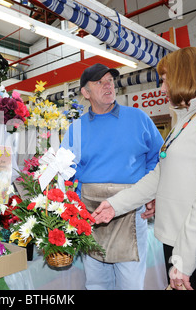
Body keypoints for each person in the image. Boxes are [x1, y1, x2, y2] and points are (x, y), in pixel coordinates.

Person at [91, 47, 196, 290]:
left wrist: (185, 258)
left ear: (185, 76)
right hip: (180, 244)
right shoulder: (188, 119)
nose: (162, 89)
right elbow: (160, 175)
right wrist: (115, 205)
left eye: (164, 80)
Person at [60, 63, 164, 290]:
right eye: (100, 82)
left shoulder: (138, 118)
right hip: (89, 214)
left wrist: (149, 193)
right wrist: (73, 208)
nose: (108, 85)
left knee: (130, 283)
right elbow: (65, 172)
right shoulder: (75, 129)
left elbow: (158, 158)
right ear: (85, 93)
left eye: (110, 80)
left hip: (130, 210)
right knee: (96, 282)